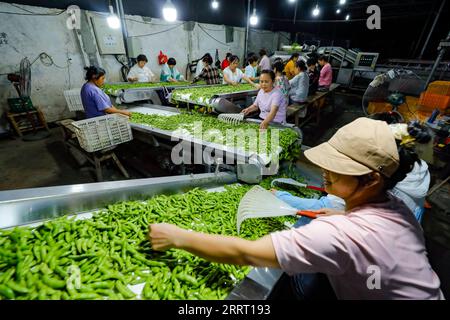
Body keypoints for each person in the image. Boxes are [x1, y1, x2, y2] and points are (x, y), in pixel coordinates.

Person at [148, 117, 444, 300]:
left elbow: (245, 253)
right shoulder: (398, 208)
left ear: (371, 180)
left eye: (337, 168)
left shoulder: (342, 235)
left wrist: (177, 237)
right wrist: (342, 214)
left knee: (301, 282)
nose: (324, 171)